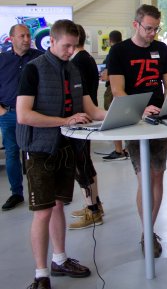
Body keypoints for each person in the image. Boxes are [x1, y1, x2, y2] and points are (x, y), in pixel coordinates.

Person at [16, 19, 106, 289]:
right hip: (40, 149)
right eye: (66, 45)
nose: (70, 51)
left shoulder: (74, 70)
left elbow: (90, 110)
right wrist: (64, 120)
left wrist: (129, 113)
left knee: (58, 206)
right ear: (51, 42)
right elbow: (23, 114)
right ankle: (40, 275)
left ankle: (60, 259)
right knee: (43, 211)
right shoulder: (33, 70)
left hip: (66, 147)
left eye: (74, 46)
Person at [107, 5, 167, 258]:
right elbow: (117, 91)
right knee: (144, 177)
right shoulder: (119, 51)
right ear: (135, 24)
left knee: (158, 175)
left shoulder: (162, 49)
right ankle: (147, 231)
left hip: (160, 121)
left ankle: (149, 230)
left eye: (156, 28)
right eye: (148, 28)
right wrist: (141, 111)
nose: (152, 33)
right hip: (134, 122)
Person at [0, 24, 42, 211]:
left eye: (28, 35)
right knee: (11, 153)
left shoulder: (39, 57)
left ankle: (40, 191)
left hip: (34, 114)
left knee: (36, 152)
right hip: (8, 113)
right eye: (22, 36)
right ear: (11, 38)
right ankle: (16, 193)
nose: (26, 39)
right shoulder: (2, 59)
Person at [68, 24, 104, 229]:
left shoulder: (78, 62)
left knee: (81, 166)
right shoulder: (86, 59)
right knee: (85, 163)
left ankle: (93, 209)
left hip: (82, 119)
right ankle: (94, 205)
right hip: (85, 117)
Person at [100, 30, 127, 161]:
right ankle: (127, 148)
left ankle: (118, 150)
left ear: (110, 41)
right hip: (125, 89)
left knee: (112, 118)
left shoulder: (113, 52)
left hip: (113, 89)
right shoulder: (126, 50)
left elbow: (108, 74)